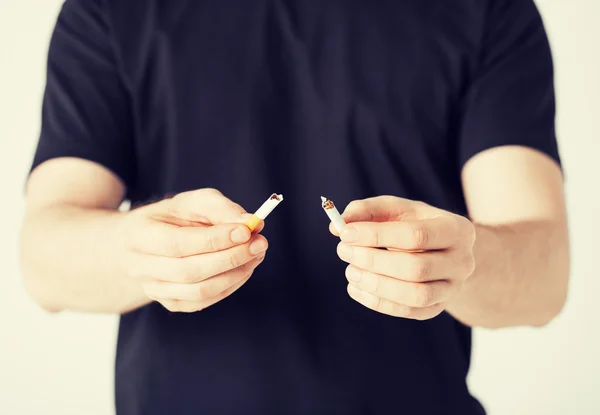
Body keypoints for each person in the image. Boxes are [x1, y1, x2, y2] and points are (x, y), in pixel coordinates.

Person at [19, 0, 570, 414]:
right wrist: (135, 252)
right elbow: (43, 261)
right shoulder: (111, 8)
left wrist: (461, 262)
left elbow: (544, 278)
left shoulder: (489, 8)